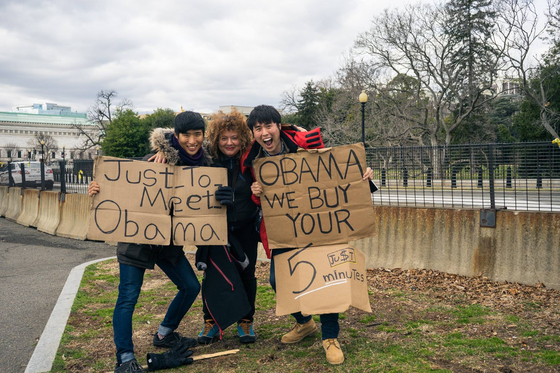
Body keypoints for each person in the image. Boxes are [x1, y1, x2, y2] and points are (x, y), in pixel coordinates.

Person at [242, 105, 375, 366]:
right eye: (257, 128)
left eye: (268, 126)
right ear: (253, 133)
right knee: (278, 281)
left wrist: (363, 177)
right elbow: (261, 202)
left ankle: (330, 338)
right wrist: (255, 193)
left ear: (279, 127)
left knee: (327, 278)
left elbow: (337, 175)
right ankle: (305, 324)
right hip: (285, 230)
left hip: (321, 226)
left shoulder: (306, 146)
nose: (264, 132)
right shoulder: (252, 160)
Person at [88, 111, 214, 373]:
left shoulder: (206, 166)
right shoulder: (153, 161)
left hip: (168, 244)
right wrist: (99, 191)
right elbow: (123, 189)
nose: (192, 140)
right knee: (127, 298)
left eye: (197, 134)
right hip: (137, 242)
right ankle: (124, 358)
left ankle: (165, 334)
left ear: (203, 135)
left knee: (190, 286)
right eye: (186, 135)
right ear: (176, 137)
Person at [151, 110, 260, 344]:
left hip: (245, 226)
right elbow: (179, 141)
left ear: (242, 138)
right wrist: (163, 150)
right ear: (215, 139)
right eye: (224, 138)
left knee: (247, 273)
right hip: (212, 227)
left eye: (235, 138)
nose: (229, 143)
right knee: (213, 275)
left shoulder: (252, 159)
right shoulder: (207, 158)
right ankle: (210, 321)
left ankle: (246, 320)